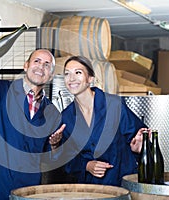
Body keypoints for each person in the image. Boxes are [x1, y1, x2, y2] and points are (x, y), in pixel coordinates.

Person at [0, 49, 62, 200]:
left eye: (47, 65)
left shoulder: (53, 113)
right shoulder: (0, 90)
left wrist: (55, 145)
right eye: (37, 61)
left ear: (51, 75)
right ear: (26, 66)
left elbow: (48, 158)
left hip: (25, 188)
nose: (41, 67)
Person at [50, 55, 149, 186]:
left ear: (90, 78)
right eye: (67, 74)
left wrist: (139, 148)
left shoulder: (114, 105)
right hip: (90, 189)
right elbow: (67, 158)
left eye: (78, 72)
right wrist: (86, 165)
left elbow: (142, 141)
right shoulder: (66, 117)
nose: (71, 78)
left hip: (122, 185)